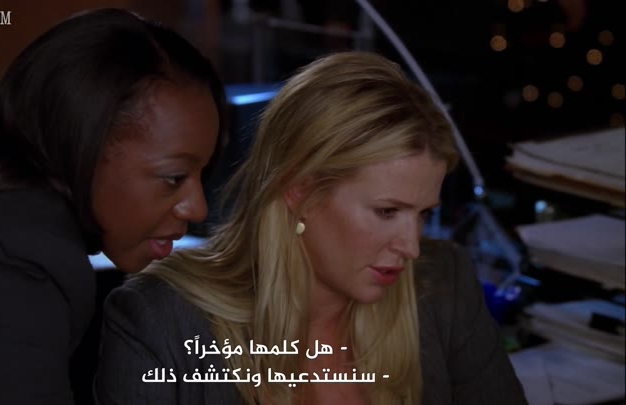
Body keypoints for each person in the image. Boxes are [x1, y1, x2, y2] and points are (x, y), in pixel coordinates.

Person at [94, 51, 527, 405]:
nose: (412, 247)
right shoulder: (160, 321)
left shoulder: (444, 284)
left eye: (423, 214)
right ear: (299, 190)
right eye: (386, 211)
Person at [0, 8, 225, 405]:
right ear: (82, 143)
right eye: (174, 177)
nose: (197, 209)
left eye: (202, 173)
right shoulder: (15, 257)